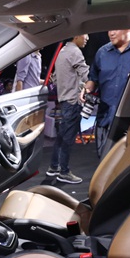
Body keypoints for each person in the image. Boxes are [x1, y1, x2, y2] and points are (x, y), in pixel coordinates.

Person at [82, 29, 130, 159]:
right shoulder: (102, 53)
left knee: (128, 164)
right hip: (105, 120)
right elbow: (93, 79)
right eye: (110, 29)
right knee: (104, 162)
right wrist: (87, 88)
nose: (111, 33)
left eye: (116, 29)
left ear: (129, 28)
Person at [46, 34, 90, 184]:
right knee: (68, 139)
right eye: (85, 34)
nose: (87, 38)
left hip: (64, 99)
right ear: (76, 36)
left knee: (61, 136)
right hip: (72, 101)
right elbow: (87, 76)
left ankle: (54, 167)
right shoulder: (75, 52)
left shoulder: (63, 51)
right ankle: (64, 172)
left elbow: (55, 79)